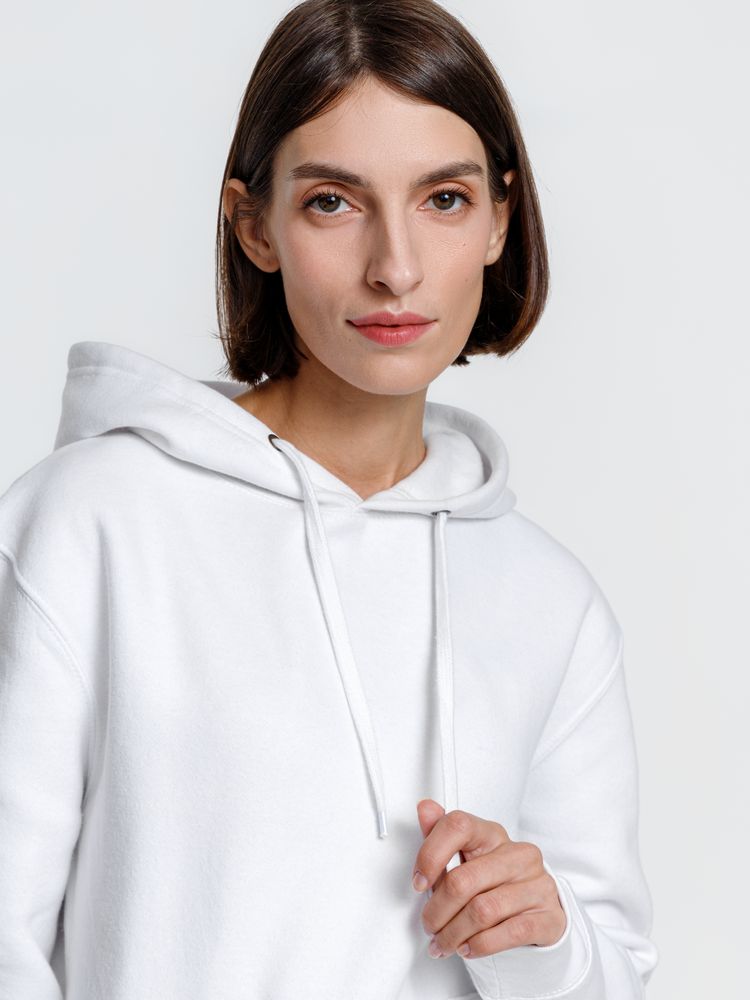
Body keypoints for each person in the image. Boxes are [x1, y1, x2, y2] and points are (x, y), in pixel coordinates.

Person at [0, 0, 659, 997]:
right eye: (333, 202)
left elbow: (615, 972)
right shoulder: (90, 524)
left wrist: (546, 936)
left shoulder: (550, 602)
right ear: (254, 225)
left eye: (444, 199)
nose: (395, 267)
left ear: (500, 219)